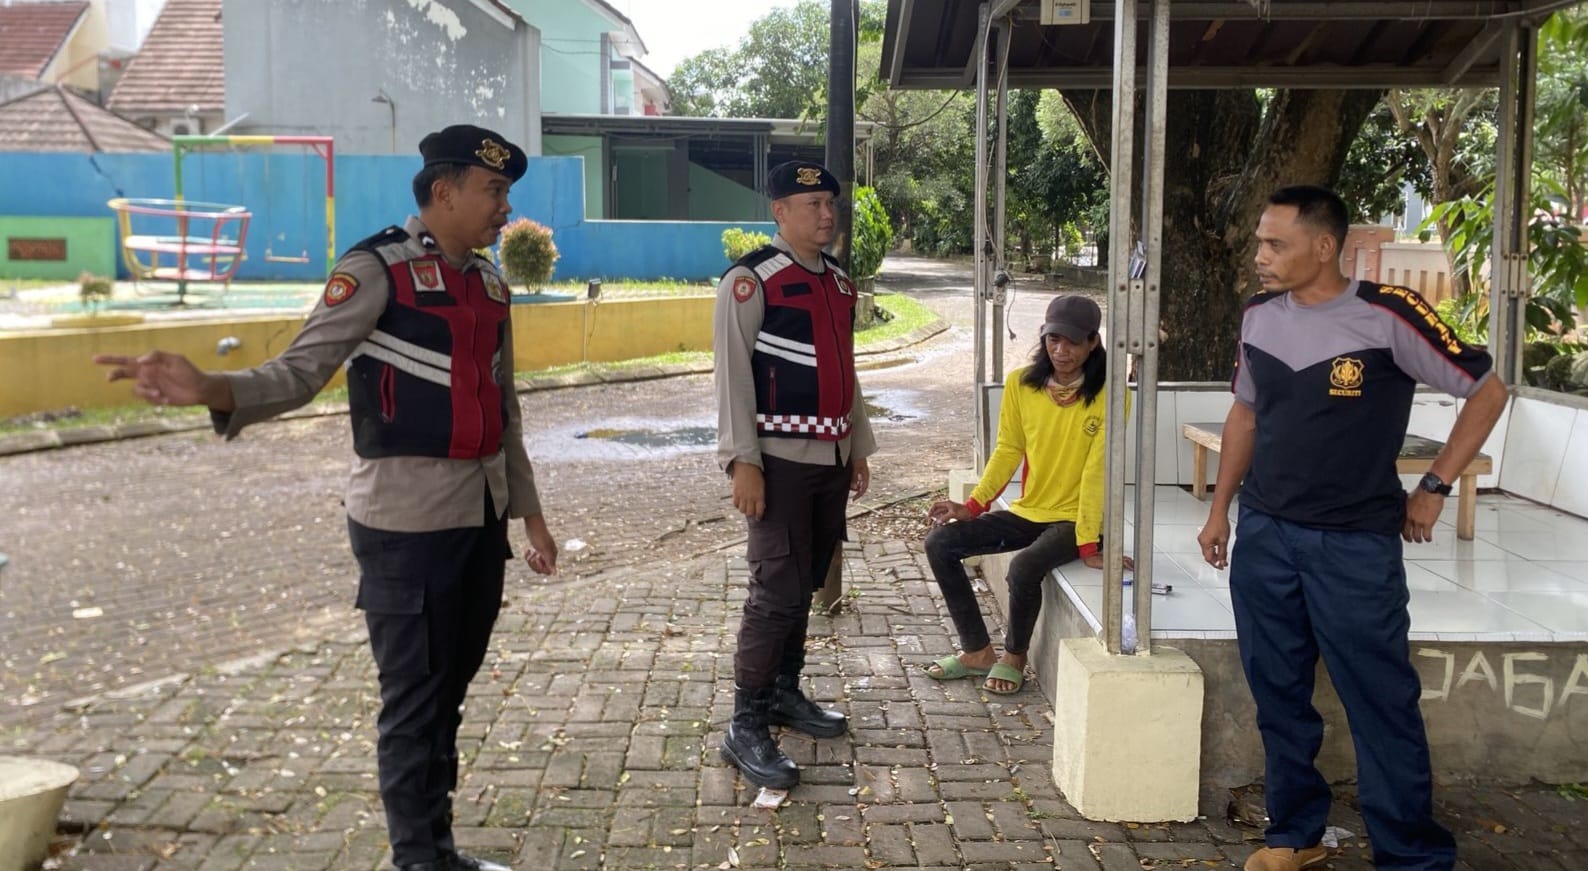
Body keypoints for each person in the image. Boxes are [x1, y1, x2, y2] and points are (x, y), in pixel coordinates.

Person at [94, 125, 555, 871]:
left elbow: (504, 410)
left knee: (447, 695)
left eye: (507, 194)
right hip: (406, 525)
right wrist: (213, 387)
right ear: (443, 192)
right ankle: (418, 859)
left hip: (479, 519)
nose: (506, 208)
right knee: (414, 702)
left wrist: (529, 513)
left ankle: (436, 850)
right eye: (494, 191)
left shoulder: (488, 285)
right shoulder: (377, 270)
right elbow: (300, 371)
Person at [1196, 185, 1507, 871]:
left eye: (1274, 243)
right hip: (1267, 535)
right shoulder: (1258, 316)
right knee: (1278, 694)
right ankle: (1296, 834)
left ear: (1323, 246)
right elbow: (1245, 415)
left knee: (1380, 700)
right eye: (1260, 242)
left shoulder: (1390, 313)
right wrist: (1220, 510)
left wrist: (1434, 486)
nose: (1260, 256)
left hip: (1355, 545)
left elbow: (1487, 390)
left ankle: (1411, 854)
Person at [713, 159, 876, 790]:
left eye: (831, 202)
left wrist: (856, 447)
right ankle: (745, 724)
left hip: (829, 461)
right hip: (777, 464)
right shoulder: (752, 281)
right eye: (812, 204)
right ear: (779, 211)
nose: (826, 213)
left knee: (804, 582)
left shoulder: (839, 282)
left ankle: (783, 692)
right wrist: (743, 461)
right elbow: (731, 375)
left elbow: (846, 370)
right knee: (775, 593)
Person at [922, 295, 1125, 695]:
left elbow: (1097, 472)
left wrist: (1088, 543)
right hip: (1029, 511)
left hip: (1074, 520)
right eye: (1053, 339)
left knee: (1024, 567)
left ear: (1092, 343)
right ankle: (977, 651)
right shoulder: (1021, 384)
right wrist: (973, 505)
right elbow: (1008, 450)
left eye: (1072, 342)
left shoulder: (1111, 395)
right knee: (940, 544)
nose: (1061, 351)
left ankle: (1015, 656)